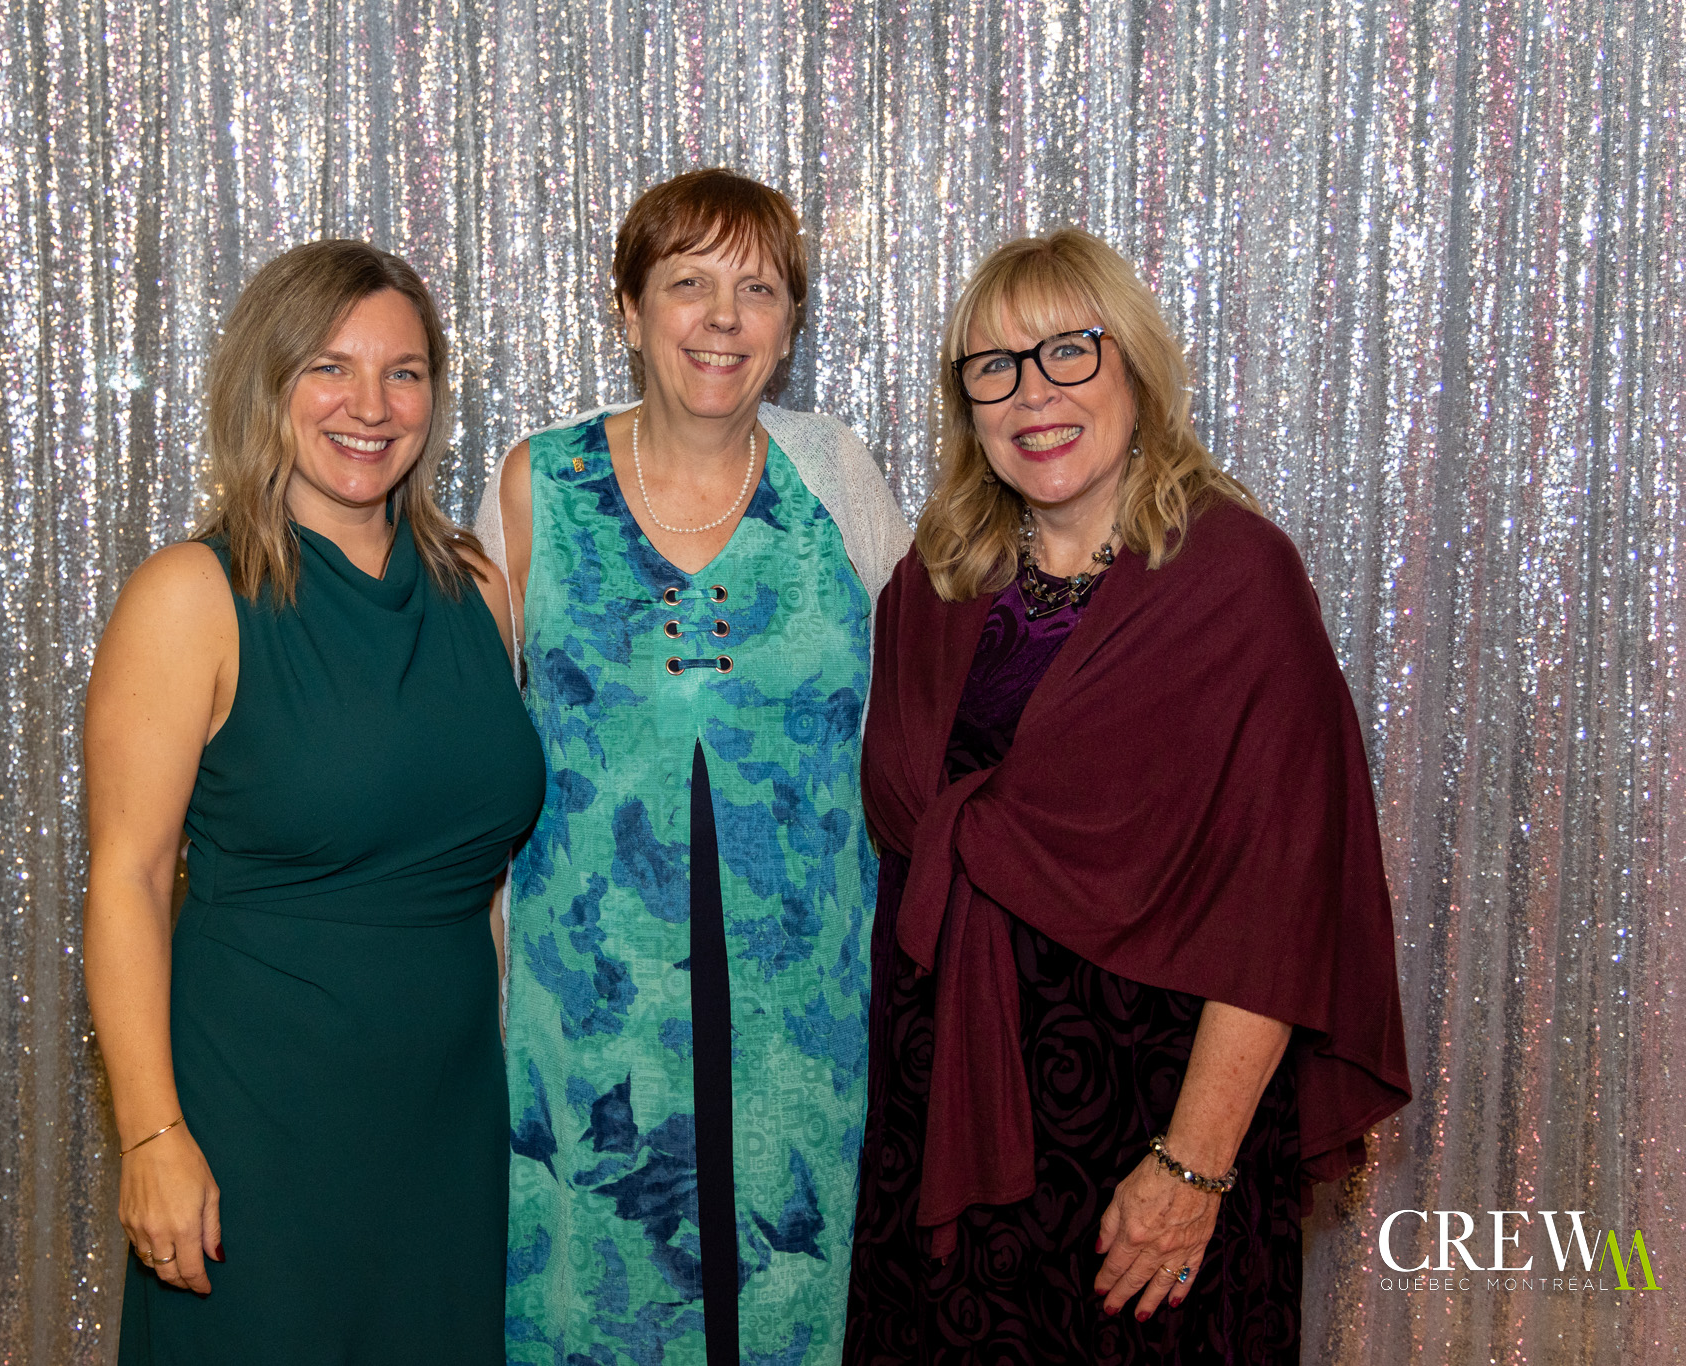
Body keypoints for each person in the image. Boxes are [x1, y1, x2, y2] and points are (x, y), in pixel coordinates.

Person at [843, 230, 1412, 1364]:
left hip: (1147, 1132)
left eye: (1067, 351)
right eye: (993, 366)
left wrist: (1192, 1165)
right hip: (945, 1119)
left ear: (1136, 368)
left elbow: (1280, 903)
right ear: (966, 405)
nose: (1032, 393)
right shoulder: (934, 585)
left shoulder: (1234, 581)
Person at [475, 168, 911, 1366]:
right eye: (687, 284)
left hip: (807, 1027)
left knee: (796, 1307)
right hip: (588, 1032)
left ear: (788, 323)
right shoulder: (537, 484)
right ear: (627, 309)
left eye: (756, 289)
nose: (723, 318)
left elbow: (928, 712)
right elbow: (472, 754)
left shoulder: (835, 476)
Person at [83, 239, 543, 1364]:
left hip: (448, 1115)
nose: (370, 406)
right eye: (329, 368)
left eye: (403, 372)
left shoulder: (478, 586)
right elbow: (128, 879)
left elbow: (484, 875)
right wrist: (150, 1134)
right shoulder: (190, 594)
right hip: (258, 1115)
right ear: (269, 382)